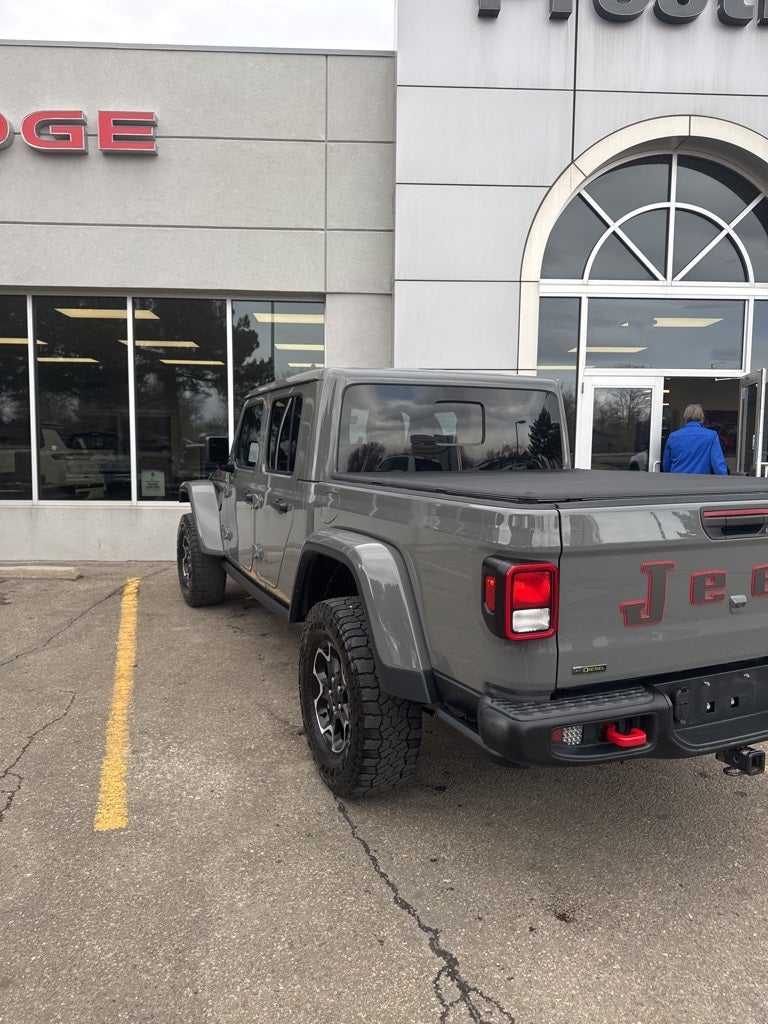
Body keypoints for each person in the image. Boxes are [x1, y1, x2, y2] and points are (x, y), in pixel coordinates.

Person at [662, 404, 728, 474]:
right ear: (702, 417)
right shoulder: (711, 435)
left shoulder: (673, 436)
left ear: (685, 416)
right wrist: (725, 480)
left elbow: (666, 464)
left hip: (676, 480)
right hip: (700, 481)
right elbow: (717, 463)